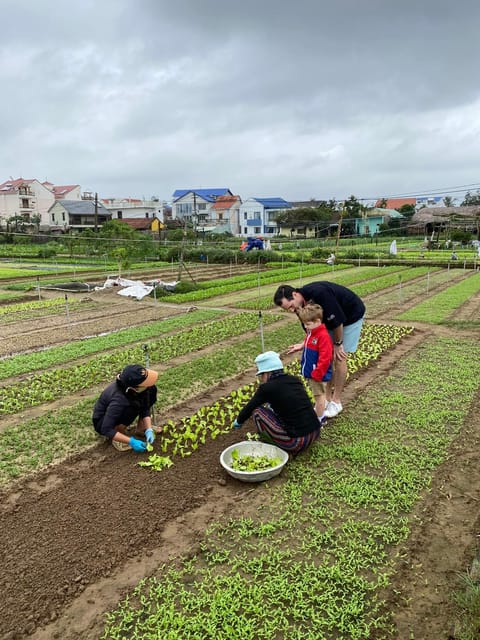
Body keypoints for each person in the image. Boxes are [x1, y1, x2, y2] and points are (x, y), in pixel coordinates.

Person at [273, 281, 366, 418]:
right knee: (327, 358)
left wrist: (338, 343)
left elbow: (338, 321)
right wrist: (304, 343)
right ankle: (326, 398)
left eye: (291, 306)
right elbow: (311, 329)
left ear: (294, 294)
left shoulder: (320, 293)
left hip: (350, 315)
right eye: (288, 309)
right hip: (330, 321)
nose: (292, 310)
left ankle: (336, 401)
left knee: (339, 357)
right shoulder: (299, 306)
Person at [233, 351, 321, 455]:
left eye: (261, 375)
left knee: (257, 412)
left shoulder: (267, 388)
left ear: (267, 373)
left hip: (297, 443)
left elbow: (250, 407)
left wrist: (238, 421)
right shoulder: (294, 380)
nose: (261, 379)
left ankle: (269, 443)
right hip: (315, 432)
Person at [92, 364, 159, 452]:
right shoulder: (119, 400)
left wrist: (149, 429)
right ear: (134, 388)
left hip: (126, 403)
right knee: (130, 409)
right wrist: (131, 441)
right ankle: (118, 437)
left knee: (151, 390)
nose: (149, 383)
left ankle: (141, 428)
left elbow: (145, 407)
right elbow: (106, 429)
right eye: (145, 383)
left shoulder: (139, 389)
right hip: (103, 422)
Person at [296, 304, 333, 424]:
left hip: (317, 374)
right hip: (312, 372)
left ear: (317, 321)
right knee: (317, 396)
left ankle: (319, 419)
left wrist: (317, 373)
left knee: (319, 396)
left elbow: (325, 358)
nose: (305, 327)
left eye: (307, 324)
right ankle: (319, 413)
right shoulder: (312, 334)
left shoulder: (322, 336)